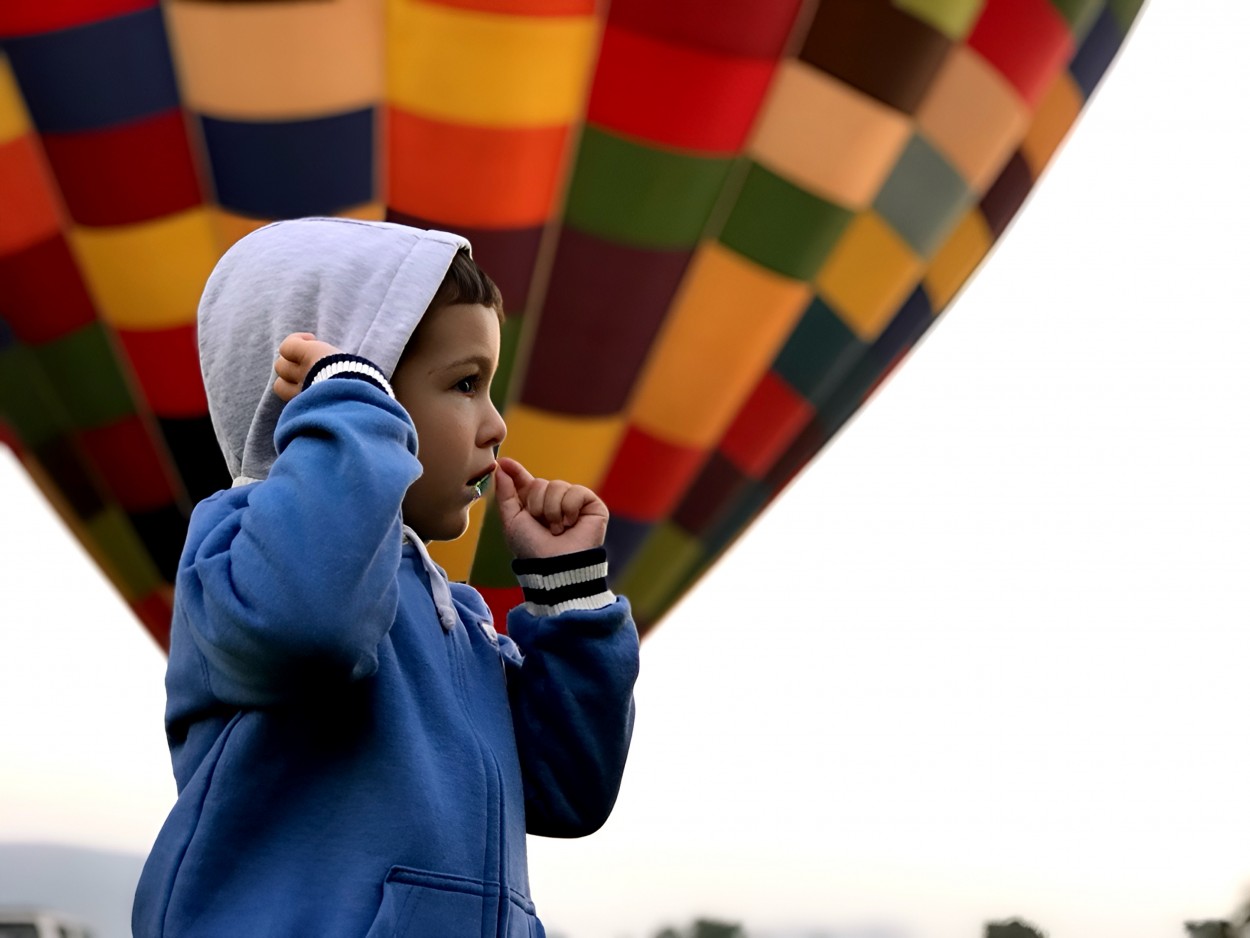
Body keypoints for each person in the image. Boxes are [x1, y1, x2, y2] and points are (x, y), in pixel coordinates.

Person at [132, 218, 640, 937]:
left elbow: (568, 792)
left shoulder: (459, 621)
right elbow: (310, 627)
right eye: (465, 384)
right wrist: (348, 404)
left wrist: (570, 594)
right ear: (342, 391)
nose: (496, 426)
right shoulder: (242, 550)